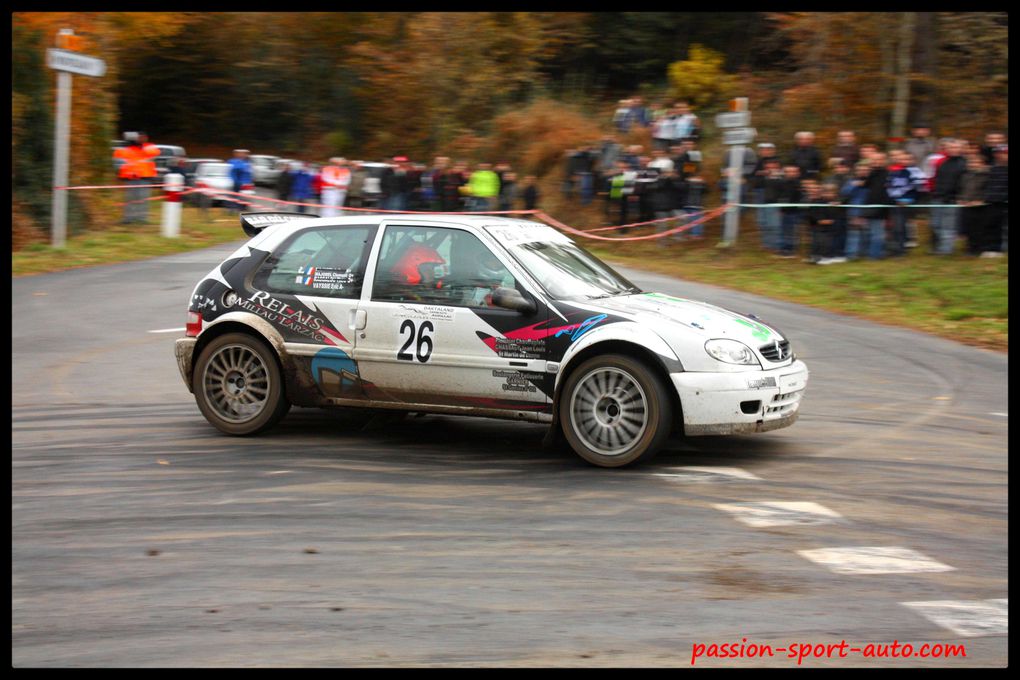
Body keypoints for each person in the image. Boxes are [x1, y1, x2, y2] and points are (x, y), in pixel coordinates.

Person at [114, 131, 159, 224]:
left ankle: (142, 219)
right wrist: (127, 144)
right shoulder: (127, 148)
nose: (141, 139)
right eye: (139, 137)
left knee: (143, 198)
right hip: (130, 177)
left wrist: (140, 145)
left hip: (145, 177)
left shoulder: (150, 146)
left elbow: (154, 152)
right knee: (130, 198)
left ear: (146, 138)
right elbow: (117, 157)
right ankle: (128, 219)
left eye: (143, 137)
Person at [931, 139, 966, 254]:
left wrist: (955, 196)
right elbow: (937, 179)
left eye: (956, 147)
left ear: (961, 149)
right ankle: (939, 247)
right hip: (937, 197)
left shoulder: (963, 163)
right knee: (936, 224)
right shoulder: (942, 162)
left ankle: (945, 250)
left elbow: (962, 183)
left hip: (951, 199)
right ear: (946, 149)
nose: (953, 150)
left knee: (947, 226)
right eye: (951, 147)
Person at [958, 153, 989, 256]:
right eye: (971, 162)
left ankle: (979, 249)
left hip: (980, 206)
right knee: (968, 228)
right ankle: (970, 249)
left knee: (978, 229)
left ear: (982, 164)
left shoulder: (986, 175)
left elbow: (988, 190)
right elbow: (962, 189)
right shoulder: (965, 175)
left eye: (976, 162)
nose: (973, 164)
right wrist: (961, 199)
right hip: (967, 205)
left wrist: (981, 200)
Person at [982, 145, 1007, 256]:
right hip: (992, 201)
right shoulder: (992, 169)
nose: (1001, 155)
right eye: (999, 153)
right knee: (991, 226)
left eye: (1004, 153)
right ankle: (992, 249)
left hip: (1005, 202)